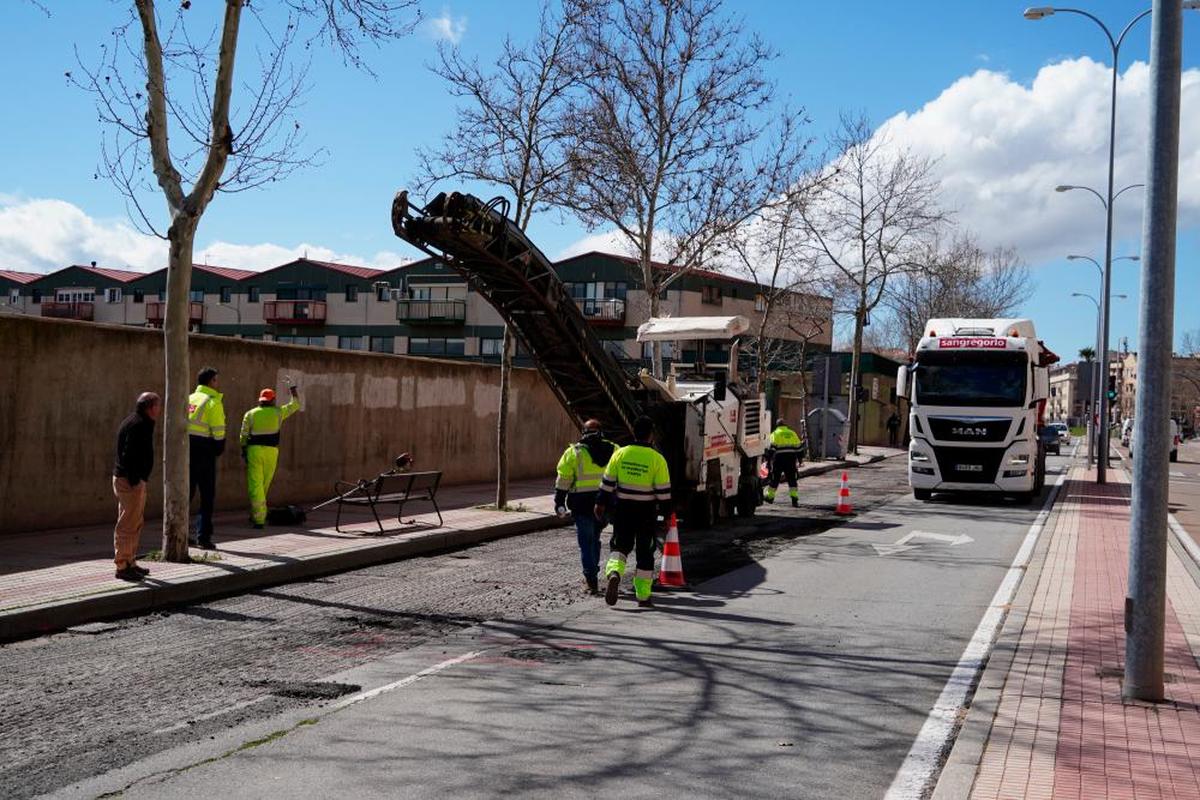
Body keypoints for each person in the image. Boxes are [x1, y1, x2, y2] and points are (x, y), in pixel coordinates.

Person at [595, 416, 672, 608]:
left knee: (619, 547)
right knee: (645, 553)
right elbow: (664, 493)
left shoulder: (620, 454)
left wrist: (600, 504)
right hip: (646, 513)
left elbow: (607, 484)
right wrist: (665, 516)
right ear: (651, 436)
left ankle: (614, 574)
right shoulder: (657, 459)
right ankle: (643, 597)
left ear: (634, 433)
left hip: (622, 510)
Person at [554, 419, 617, 595]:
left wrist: (559, 502)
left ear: (583, 432)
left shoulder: (574, 452)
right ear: (601, 432)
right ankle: (593, 572)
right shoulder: (615, 450)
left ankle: (591, 579)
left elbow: (564, 479)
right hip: (604, 504)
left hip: (582, 505)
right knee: (595, 538)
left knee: (586, 542)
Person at [112, 392, 160, 581]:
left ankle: (130, 561)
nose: (160, 409)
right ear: (150, 407)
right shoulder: (138, 424)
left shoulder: (140, 422)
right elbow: (128, 455)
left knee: (135, 522)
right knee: (127, 524)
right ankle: (122, 565)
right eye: (158, 405)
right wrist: (135, 479)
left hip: (132, 480)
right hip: (129, 480)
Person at [240, 381, 302, 528]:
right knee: (264, 484)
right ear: (273, 400)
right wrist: (293, 390)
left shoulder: (250, 414)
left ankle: (258, 518)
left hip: (254, 450)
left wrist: (244, 449)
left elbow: (243, 435)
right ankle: (258, 514)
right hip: (271, 452)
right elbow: (296, 404)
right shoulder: (278, 412)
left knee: (256, 485)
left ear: (260, 400)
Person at [187, 366, 226, 549]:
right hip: (204, 450)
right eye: (216, 380)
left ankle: (181, 533)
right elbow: (218, 430)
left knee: (186, 493)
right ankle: (203, 537)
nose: (218, 383)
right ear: (211, 381)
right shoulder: (212, 401)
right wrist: (218, 448)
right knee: (207, 496)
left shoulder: (189, 398)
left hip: (186, 449)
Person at [764, 419, 804, 508]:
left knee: (775, 479)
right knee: (792, 480)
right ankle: (794, 499)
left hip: (779, 460)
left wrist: (768, 460)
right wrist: (800, 460)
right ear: (784, 425)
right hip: (790, 460)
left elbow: (772, 449)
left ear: (777, 425)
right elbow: (799, 448)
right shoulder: (792, 433)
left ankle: (770, 497)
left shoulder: (775, 434)